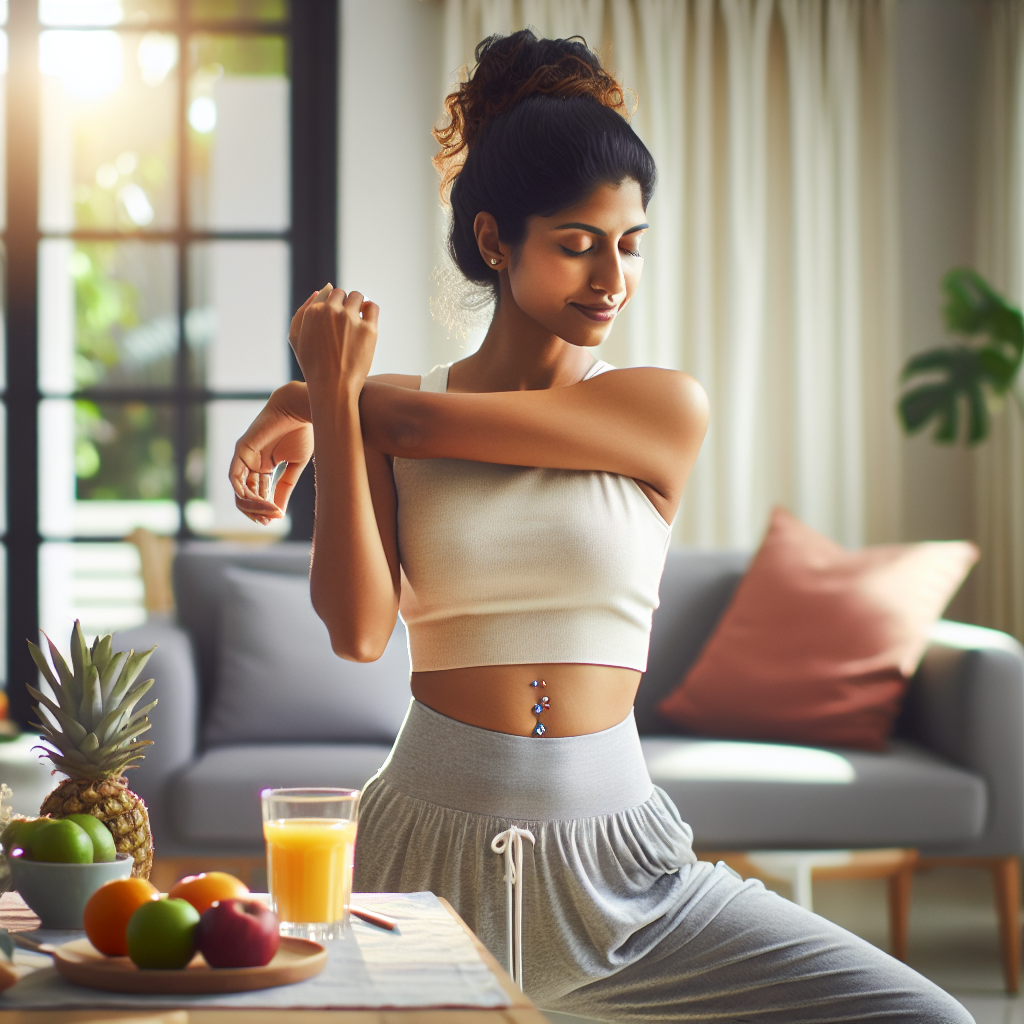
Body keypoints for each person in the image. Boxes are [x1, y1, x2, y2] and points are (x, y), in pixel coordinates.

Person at [230, 30, 973, 1024]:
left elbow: (410, 413)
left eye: (629, 244)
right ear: (496, 240)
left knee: (925, 1018)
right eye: (576, 243)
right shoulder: (379, 417)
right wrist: (330, 397)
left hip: (629, 870)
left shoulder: (658, 408)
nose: (611, 277)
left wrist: (316, 390)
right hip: (419, 853)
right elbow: (359, 630)